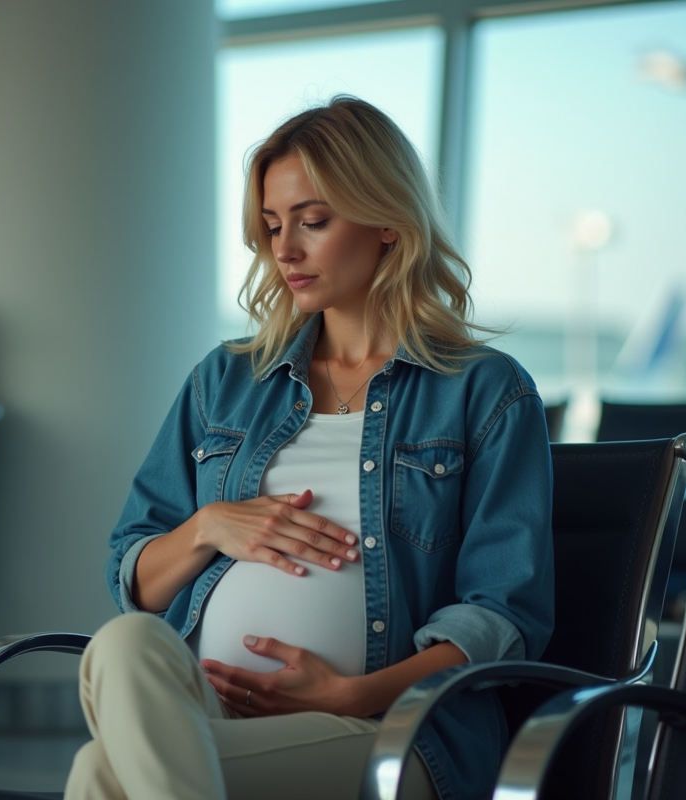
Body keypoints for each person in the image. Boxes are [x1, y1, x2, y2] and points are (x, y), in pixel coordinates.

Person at [77, 97, 555, 800]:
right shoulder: (225, 380)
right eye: (273, 226)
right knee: (119, 644)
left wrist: (350, 694)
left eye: (313, 221)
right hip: (203, 711)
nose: (285, 250)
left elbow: (502, 615)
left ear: (388, 220)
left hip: (389, 733)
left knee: (98, 773)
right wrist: (210, 526)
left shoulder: (484, 391)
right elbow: (135, 578)